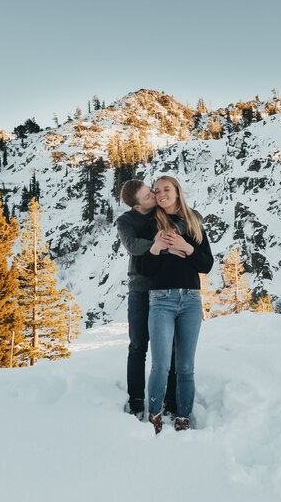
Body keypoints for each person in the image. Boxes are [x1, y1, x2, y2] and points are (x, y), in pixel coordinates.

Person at [138, 175, 214, 433]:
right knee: (160, 364)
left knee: (185, 366)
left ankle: (183, 417)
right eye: (157, 191)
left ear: (177, 191)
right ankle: (155, 413)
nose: (161, 194)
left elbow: (206, 264)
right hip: (161, 299)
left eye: (166, 189)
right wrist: (157, 248)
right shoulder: (152, 223)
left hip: (191, 300)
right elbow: (145, 269)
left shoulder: (193, 221)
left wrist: (187, 247)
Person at [115, 179, 176, 418]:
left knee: (169, 348)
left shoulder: (161, 211)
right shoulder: (126, 221)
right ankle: (137, 400)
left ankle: (170, 397)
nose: (153, 194)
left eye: (151, 191)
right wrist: (160, 245)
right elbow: (132, 245)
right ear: (137, 206)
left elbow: (191, 217)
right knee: (138, 346)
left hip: (164, 287)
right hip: (140, 290)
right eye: (148, 195)